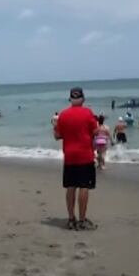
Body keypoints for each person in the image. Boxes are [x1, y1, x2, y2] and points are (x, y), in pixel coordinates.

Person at [55, 87, 99, 230]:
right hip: (85, 155)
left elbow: (57, 136)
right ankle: (82, 220)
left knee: (71, 187)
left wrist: (54, 126)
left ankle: (71, 218)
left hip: (69, 156)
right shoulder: (87, 113)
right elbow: (96, 132)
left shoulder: (63, 114)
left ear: (70, 99)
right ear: (83, 99)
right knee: (84, 187)